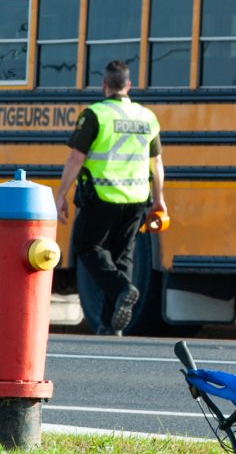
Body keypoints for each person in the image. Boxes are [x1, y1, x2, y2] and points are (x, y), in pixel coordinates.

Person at [55, 60, 169, 334]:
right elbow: (157, 163)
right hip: (137, 199)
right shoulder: (147, 117)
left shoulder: (95, 115)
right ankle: (109, 325)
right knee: (122, 257)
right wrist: (159, 199)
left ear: (104, 85)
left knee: (87, 248)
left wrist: (61, 194)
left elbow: (75, 159)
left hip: (102, 196)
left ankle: (123, 288)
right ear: (129, 86)